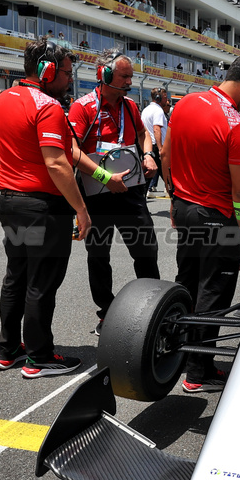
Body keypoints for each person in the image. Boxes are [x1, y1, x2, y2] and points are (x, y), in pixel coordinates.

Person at [160, 54, 240, 393]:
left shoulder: (184, 104)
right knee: (214, 292)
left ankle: (176, 354)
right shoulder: (236, 124)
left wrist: (174, 200)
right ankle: (197, 371)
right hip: (217, 217)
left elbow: (165, 156)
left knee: (186, 283)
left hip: (185, 207)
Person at [0, 37, 90, 378]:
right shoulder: (47, 107)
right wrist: (81, 208)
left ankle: (8, 350)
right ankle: (39, 357)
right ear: (47, 71)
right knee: (42, 282)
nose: (69, 79)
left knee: (16, 277)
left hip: (10, 201)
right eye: (65, 73)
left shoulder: (3, 99)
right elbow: (58, 164)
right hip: (43, 206)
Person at [69, 53, 161, 335]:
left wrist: (148, 154)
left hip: (130, 190)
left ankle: (152, 307)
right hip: (97, 191)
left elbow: (144, 134)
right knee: (98, 254)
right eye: (124, 77)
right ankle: (106, 313)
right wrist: (104, 177)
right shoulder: (83, 107)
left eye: (131, 76)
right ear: (105, 75)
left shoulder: (130, 106)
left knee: (146, 249)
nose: (130, 82)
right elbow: (71, 151)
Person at [140, 88, 170, 197]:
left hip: (148, 147)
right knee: (168, 175)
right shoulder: (158, 111)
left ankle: (141, 199)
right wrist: (161, 148)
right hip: (156, 147)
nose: (167, 100)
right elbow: (157, 129)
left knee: (148, 175)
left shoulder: (146, 110)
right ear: (158, 98)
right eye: (165, 97)